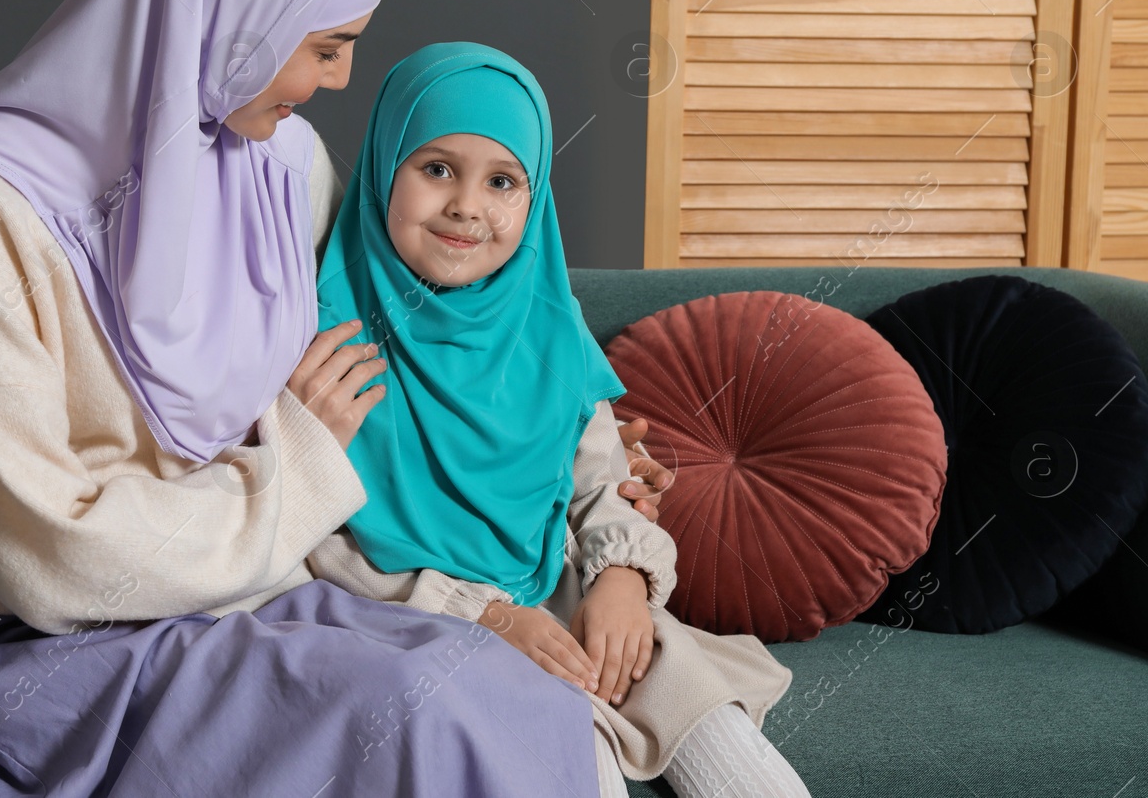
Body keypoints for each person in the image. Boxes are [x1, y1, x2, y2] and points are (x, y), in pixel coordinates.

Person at [0, 0, 673, 796]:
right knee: (417, 700)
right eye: (324, 45)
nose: (337, 81)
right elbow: (45, 557)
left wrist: (563, 450)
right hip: (60, 632)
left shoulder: (287, 167)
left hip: (276, 593)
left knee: (510, 687)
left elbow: (405, 340)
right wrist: (294, 464)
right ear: (233, 10)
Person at [307, 42, 813, 798]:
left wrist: (621, 578)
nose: (467, 206)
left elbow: (599, 477)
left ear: (533, 195)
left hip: (560, 590)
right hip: (420, 619)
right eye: (437, 167)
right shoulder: (330, 334)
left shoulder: (547, 324)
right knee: (564, 749)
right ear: (386, 164)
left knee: (701, 712)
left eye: (502, 180)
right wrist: (485, 613)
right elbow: (320, 538)